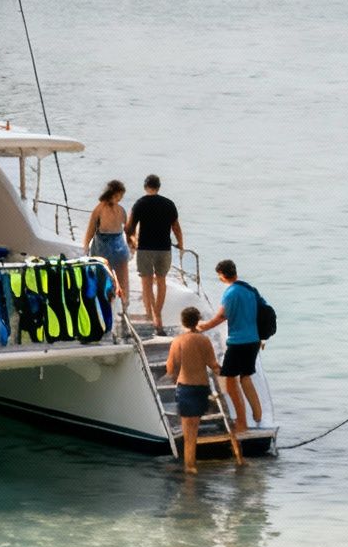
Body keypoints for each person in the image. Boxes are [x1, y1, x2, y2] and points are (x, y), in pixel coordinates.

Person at [197, 259, 263, 433]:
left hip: (238, 341)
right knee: (245, 377)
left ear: (222, 274)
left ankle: (241, 423)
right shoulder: (249, 290)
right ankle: (257, 415)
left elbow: (220, 317)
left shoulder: (230, 293)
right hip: (253, 340)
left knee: (230, 381)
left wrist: (203, 326)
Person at [163, 305, 219, 473]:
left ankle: (190, 466)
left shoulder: (178, 341)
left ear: (183, 322)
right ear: (197, 321)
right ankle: (192, 464)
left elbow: (170, 367)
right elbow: (213, 365)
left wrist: (171, 377)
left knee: (188, 434)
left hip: (186, 388)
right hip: (201, 388)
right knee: (194, 429)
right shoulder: (204, 340)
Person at [126, 174, 183, 332]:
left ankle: (150, 314)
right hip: (164, 248)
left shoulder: (140, 204)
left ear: (145, 187)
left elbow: (130, 227)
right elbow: (176, 227)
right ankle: (158, 315)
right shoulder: (168, 204)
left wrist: (132, 241)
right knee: (162, 281)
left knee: (146, 283)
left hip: (145, 248)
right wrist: (181, 244)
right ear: (158, 187)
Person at [83, 180, 132, 305]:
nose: (120, 198)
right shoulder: (99, 209)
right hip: (102, 246)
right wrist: (85, 247)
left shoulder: (121, 210)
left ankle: (125, 304)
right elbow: (90, 230)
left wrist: (132, 244)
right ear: (111, 193)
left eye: (121, 196)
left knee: (123, 278)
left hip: (119, 245)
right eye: (118, 195)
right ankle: (105, 302)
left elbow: (128, 230)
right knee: (103, 277)